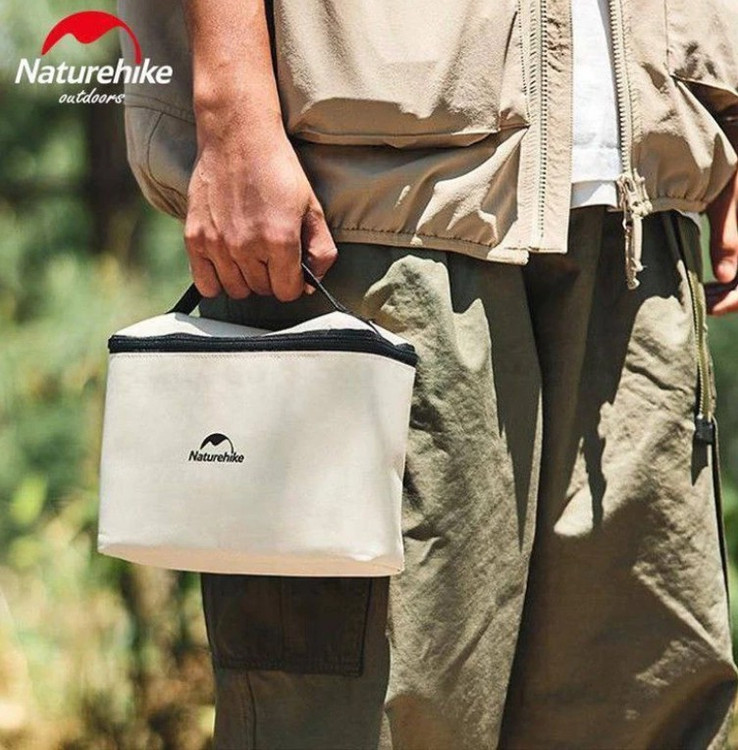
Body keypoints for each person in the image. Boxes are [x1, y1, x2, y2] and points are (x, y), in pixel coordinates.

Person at [119, 0, 738, 746]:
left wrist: (727, 111)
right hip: (371, 207)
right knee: (368, 720)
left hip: (640, 209)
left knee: (643, 706)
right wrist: (233, 113)